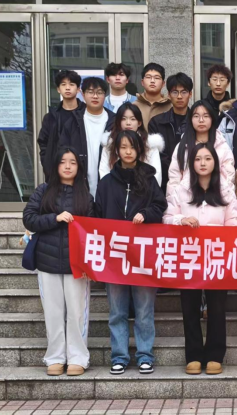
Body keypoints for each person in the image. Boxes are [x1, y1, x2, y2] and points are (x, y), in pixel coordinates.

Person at [163, 143, 237, 376]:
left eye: (208, 158)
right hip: (189, 257)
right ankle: (194, 355)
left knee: (217, 307)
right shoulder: (182, 190)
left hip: (217, 256)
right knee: (189, 306)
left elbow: (234, 222)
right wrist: (181, 220)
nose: (203, 163)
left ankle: (215, 355)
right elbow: (167, 217)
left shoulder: (225, 190)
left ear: (215, 162)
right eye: (198, 159)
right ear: (191, 164)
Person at [95, 130, 167, 376]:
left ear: (139, 150)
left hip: (143, 256)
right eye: (123, 147)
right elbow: (97, 215)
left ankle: (145, 355)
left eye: (132, 147)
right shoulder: (106, 183)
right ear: (116, 150)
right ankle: (119, 356)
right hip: (114, 256)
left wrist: (146, 214)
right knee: (117, 310)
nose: (127, 151)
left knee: (144, 309)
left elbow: (160, 206)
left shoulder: (149, 179)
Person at [23, 147, 94, 377]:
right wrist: (55, 218)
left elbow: (92, 230)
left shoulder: (85, 196)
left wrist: (89, 264)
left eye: (72, 162)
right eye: (63, 161)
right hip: (47, 262)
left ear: (79, 167)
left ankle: (78, 358)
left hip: (77, 265)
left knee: (77, 312)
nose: (67, 166)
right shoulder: (43, 191)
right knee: (53, 313)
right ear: (55, 165)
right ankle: (54, 358)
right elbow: (29, 219)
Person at [59, 77, 115, 198]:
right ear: (83, 94)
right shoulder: (73, 121)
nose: (95, 96)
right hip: (78, 185)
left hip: (109, 184)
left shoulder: (114, 121)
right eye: (90, 92)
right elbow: (62, 151)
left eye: (99, 92)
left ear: (105, 95)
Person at [167, 100, 235, 198]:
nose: (201, 120)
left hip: (216, 199)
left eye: (206, 116)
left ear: (212, 118)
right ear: (190, 119)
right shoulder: (182, 146)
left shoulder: (222, 146)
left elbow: (229, 177)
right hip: (186, 200)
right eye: (196, 116)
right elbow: (174, 178)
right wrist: (175, 201)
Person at [99, 102, 164, 186]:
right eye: (123, 119)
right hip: (114, 190)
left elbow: (156, 174)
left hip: (144, 190)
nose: (128, 123)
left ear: (139, 123)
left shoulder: (150, 145)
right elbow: (104, 172)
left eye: (133, 119)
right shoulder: (109, 144)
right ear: (118, 122)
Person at [149, 72, 194, 190]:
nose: (179, 96)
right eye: (175, 92)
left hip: (193, 181)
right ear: (168, 94)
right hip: (164, 183)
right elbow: (156, 155)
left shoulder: (197, 122)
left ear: (190, 94)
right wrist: (175, 170)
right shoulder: (156, 122)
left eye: (184, 92)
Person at [38, 70, 85, 182]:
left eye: (71, 84)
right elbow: (43, 143)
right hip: (56, 173)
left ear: (78, 89)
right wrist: (48, 165)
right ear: (58, 89)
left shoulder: (86, 114)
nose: (67, 88)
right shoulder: (51, 117)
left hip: (82, 172)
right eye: (63, 85)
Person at [133, 63, 172, 130]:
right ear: (142, 82)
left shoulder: (170, 107)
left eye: (157, 78)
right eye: (148, 77)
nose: (152, 81)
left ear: (163, 84)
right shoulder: (134, 106)